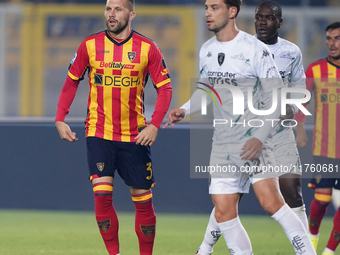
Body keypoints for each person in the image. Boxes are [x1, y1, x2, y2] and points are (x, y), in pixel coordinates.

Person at [164, 0, 316, 254]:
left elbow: (276, 97)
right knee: (224, 212)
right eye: (206, 7)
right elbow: (206, 90)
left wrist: (258, 138)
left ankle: (306, 252)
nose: (208, 13)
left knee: (272, 203)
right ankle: (206, 248)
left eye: (214, 7)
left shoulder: (255, 49)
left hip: (253, 139)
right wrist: (185, 109)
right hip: (222, 142)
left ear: (232, 11)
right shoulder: (207, 50)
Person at [55, 0, 172, 254]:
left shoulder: (148, 48)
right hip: (99, 132)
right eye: (108, 9)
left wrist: (154, 125)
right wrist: (60, 117)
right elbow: (71, 81)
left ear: (131, 14)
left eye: (118, 9)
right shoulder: (89, 45)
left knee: (143, 203)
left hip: (135, 136)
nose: (112, 14)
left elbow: (165, 88)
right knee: (102, 198)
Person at [295, 21, 340, 255]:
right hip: (324, 148)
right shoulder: (315, 70)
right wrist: (300, 127)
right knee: (321, 200)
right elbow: (302, 101)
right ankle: (312, 237)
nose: (332, 44)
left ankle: (329, 251)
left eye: (337, 38)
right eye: (329, 39)